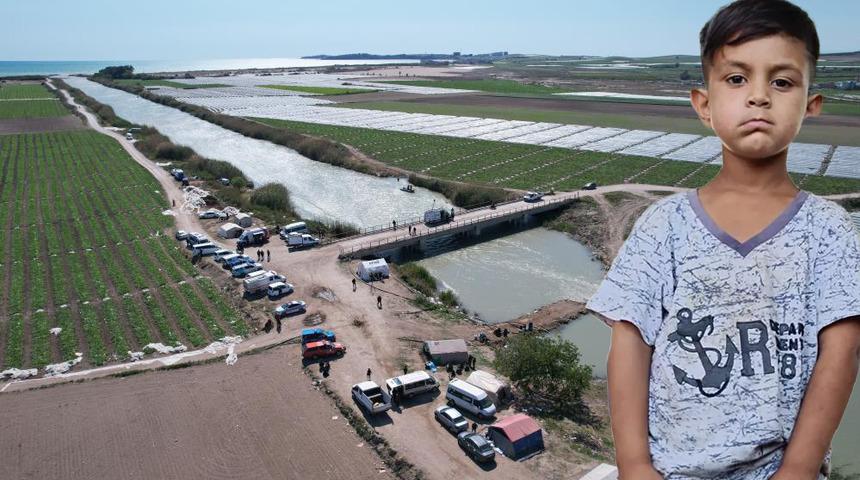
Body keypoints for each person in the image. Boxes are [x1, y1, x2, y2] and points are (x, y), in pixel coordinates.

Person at [585, 3, 860, 479]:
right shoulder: (663, 224)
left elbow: (842, 348)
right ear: (704, 105)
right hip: (671, 470)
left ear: (810, 104)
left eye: (782, 81)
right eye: (736, 79)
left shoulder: (829, 229)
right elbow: (630, 342)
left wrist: (797, 469)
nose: (759, 97)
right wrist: (633, 464)